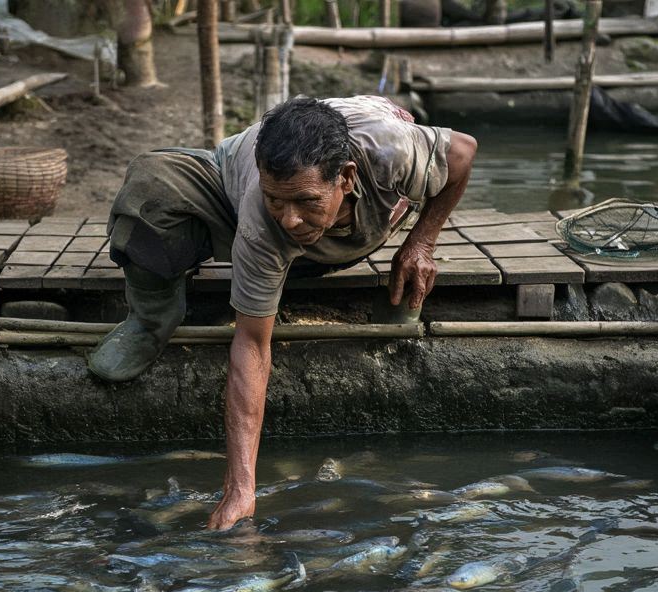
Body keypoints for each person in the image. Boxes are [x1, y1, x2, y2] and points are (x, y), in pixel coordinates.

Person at [90, 95, 478, 531]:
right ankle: (150, 317)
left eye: (306, 201)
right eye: (278, 200)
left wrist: (422, 242)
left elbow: (463, 152)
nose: (290, 220)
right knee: (149, 191)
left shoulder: (392, 150)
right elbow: (252, 345)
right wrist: (240, 489)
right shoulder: (259, 216)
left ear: (346, 178)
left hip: (370, 187)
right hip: (228, 185)